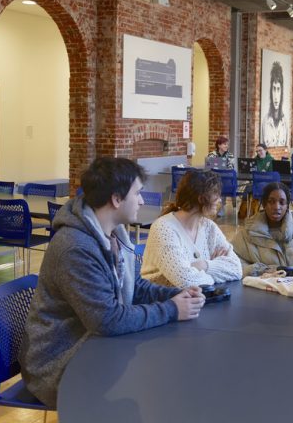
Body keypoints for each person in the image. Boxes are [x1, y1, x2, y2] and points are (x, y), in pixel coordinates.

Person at [20, 157, 206, 408]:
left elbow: (133, 287)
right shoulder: (75, 248)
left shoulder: (114, 233)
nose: (141, 200)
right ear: (117, 200)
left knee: (164, 375)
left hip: (93, 345)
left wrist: (176, 294)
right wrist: (172, 309)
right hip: (58, 365)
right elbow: (107, 319)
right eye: (138, 193)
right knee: (159, 384)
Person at [142, 170, 242, 288]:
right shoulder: (163, 228)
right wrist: (216, 270)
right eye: (215, 193)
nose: (220, 199)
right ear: (201, 198)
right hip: (161, 302)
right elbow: (185, 281)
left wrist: (203, 265)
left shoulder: (209, 227)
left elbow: (236, 269)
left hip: (198, 301)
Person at [261, 61, 289, 147]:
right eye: (274, 89)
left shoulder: (285, 123)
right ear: (270, 91)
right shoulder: (265, 121)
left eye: (278, 89)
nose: (276, 96)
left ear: (281, 92)